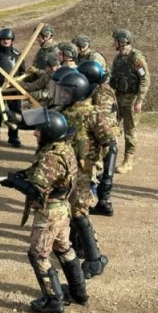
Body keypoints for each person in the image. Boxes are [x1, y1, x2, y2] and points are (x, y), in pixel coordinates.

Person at [0, 109, 88, 313]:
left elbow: (38, 191)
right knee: (64, 248)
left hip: (49, 214)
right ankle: (79, 293)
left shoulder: (51, 157)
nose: (35, 133)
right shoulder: (63, 148)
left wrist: (16, 183)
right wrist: (22, 176)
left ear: (48, 132)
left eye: (38, 130)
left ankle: (53, 300)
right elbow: (44, 176)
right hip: (62, 211)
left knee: (38, 255)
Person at [56, 72, 114, 279]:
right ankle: (76, 248)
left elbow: (110, 143)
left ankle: (94, 258)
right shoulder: (63, 111)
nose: (61, 95)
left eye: (65, 92)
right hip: (64, 170)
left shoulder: (93, 114)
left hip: (83, 171)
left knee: (79, 212)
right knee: (69, 210)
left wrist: (105, 178)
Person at [78, 61, 120, 216]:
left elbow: (104, 119)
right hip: (106, 137)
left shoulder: (102, 94)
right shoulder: (99, 90)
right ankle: (104, 202)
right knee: (101, 171)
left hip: (106, 138)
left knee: (99, 170)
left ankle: (102, 202)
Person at [109, 29, 150, 174]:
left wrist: (139, 100)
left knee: (129, 130)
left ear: (123, 41)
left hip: (131, 100)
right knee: (110, 126)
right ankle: (108, 155)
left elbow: (145, 80)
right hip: (118, 98)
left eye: (116, 40)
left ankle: (128, 160)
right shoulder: (118, 58)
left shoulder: (136, 58)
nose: (113, 43)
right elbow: (113, 77)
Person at [0, 28, 25, 147]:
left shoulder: (18, 55)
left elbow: (22, 72)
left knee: (14, 113)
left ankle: (13, 137)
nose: (6, 41)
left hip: (13, 89)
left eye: (8, 38)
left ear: (12, 39)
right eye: (3, 39)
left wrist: (19, 84)